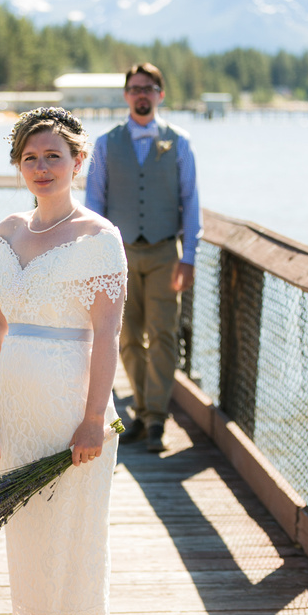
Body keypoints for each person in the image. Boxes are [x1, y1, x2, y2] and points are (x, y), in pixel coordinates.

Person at [0, 107, 127, 615]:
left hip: (72, 402)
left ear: (77, 162)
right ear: (19, 165)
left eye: (52, 157)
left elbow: (108, 333)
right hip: (18, 402)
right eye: (30, 158)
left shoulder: (98, 237)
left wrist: (93, 418)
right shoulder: (8, 231)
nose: (41, 167)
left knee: (76, 525)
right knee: (31, 527)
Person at [85, 63, 201, 452]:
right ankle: (140, 414)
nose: (142, 95)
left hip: (167, 251)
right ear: (126, 96)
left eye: (149, 88)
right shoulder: (105, 144)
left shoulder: (179, 142)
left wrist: (190, 256)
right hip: (119, 256)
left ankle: (156, 418)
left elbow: (191, 202)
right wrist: (93, 255)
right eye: (135, 88)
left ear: (160, 95)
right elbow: (94, 203)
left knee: (164, 335)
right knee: (128, 336)